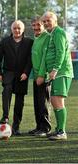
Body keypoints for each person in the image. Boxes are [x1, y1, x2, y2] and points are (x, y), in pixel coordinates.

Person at [0, 20, 33, 135]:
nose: (17, 30)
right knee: (6, 91)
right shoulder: (5, 41)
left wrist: (26, 72)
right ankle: (5, 117)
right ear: (11, 29)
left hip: (22, 75)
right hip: (8, 73)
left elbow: (30, 60)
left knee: (19, 101)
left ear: (23, 29)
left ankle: (16, 127)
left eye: (19, 28)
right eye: (15, 28)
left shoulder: (29, 42)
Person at [42, 11, 73, 140]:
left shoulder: (58, 32)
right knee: (55, 100)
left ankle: (62, 132)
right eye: (44, 21)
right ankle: (59, 129)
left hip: (61, 72)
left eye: (48, 20)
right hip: (56, 73)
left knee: (58, 100)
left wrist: (54, 70)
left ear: (55, 21)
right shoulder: (52, 34)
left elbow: (61, 52)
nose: (46, 23)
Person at [28, 16, 51, 136]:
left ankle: (45, 128)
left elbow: (45, 58)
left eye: (38, 25)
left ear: (43, 25)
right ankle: (38, 126)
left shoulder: (47, 37)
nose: (36, 27)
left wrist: (42, 75)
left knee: (43, 103)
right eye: (34, 25)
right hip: (36, 76)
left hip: (43, 77)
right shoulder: (36, 38)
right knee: (37, 103)